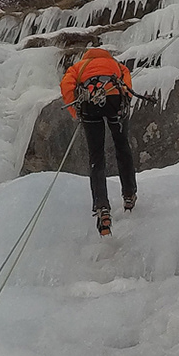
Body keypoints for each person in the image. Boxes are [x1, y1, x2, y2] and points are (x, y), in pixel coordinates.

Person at [59, 45, 138, 235]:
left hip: (89, 104)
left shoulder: (79, 67)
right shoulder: (116, 65)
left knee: (96, 156)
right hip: (114, 102)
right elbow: (127, 86)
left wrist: (75, 112)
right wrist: (124, 101)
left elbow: (66, 86)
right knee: (122, 147)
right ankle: (129, 193)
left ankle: (102, 206)